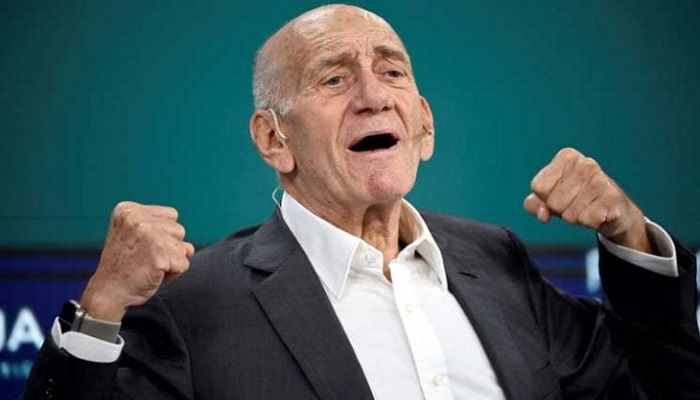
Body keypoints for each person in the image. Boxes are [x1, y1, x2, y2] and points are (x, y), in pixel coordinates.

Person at [21, 4, 699, 400]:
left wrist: (630, 235)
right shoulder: (192, 302)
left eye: (392, 71)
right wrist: (102, 306)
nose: (374, 96)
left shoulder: (497, 261)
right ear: (274, 139)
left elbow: (659, 382)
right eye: (335, 79)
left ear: (424, 125)